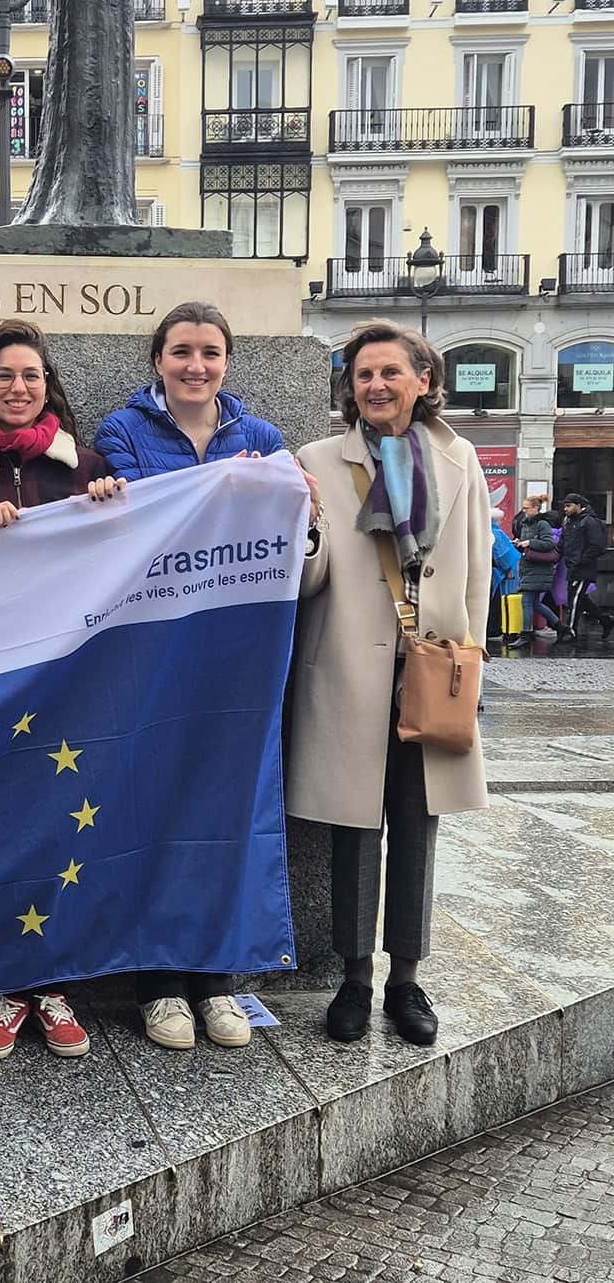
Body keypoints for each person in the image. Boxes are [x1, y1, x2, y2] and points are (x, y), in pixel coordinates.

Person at [93, 300, 292, 1054]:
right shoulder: (122, 433)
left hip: (236, 652)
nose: (195, 366)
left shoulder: (263, 439)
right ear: (158, 360)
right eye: (181, 352)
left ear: (227, 362)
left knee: (225, 813)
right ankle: (159, 984)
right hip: (153, 649)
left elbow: (294, 531)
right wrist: (109, 502)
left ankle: (216, 978)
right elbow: (126, 534)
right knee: (152, 811)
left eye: (210, 352)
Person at [288, 319, 491, 1047]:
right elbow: (306, 581)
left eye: (389, 373)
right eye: (363, 374)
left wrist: (472, 659)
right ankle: (353, 976)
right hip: (348, 668)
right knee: (355, 830)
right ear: (350, 388)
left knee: (417, 824)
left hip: (431, 668)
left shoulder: (458, 457)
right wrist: (303, 522)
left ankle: (407, 978)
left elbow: (473, 566)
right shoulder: (316, 458)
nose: (375, 385)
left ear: (423, 381)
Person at [0, 319, 120, 1062]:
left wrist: (109, 508)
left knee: (64, 824)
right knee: (2, 825)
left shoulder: (87, 464)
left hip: (71, 674)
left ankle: (53, 983)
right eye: (4, 375)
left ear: (49, 387)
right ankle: (9, 987)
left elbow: (116, 559)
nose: (17, 387)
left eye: (30, 375)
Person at [558, 492, 612, 642]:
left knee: (574, 599)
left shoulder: (589, 521)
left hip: (583, 567)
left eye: (568, 506)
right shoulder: (568, 521)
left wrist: (581, 560)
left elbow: (596, 545)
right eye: (565, 506)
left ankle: (571, 631)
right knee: (580, 598)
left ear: (579, 506)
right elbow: (563, 543)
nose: (565, 509)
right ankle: (605, 620)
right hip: (573, 566)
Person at [512, 495, 566, 644]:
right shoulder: (526, 524)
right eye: (523, 508)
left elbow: (548, 544)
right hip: (529, 568)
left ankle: (525, 635)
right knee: (535, 604)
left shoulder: (542, 524)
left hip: (538, 569)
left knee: (526, 602)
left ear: (536, 508)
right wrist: (519, 543)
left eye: (526, 508)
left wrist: (529, 542)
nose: (523, 511)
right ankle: (560, 627)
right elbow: (528, 547)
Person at [487, 508, 521, 644]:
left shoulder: (486, 531)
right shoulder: (497, 533)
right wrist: (508, 569)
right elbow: (502, 554)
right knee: (500, 601)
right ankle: (496, 628)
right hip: (500, 573)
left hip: (491, 571)